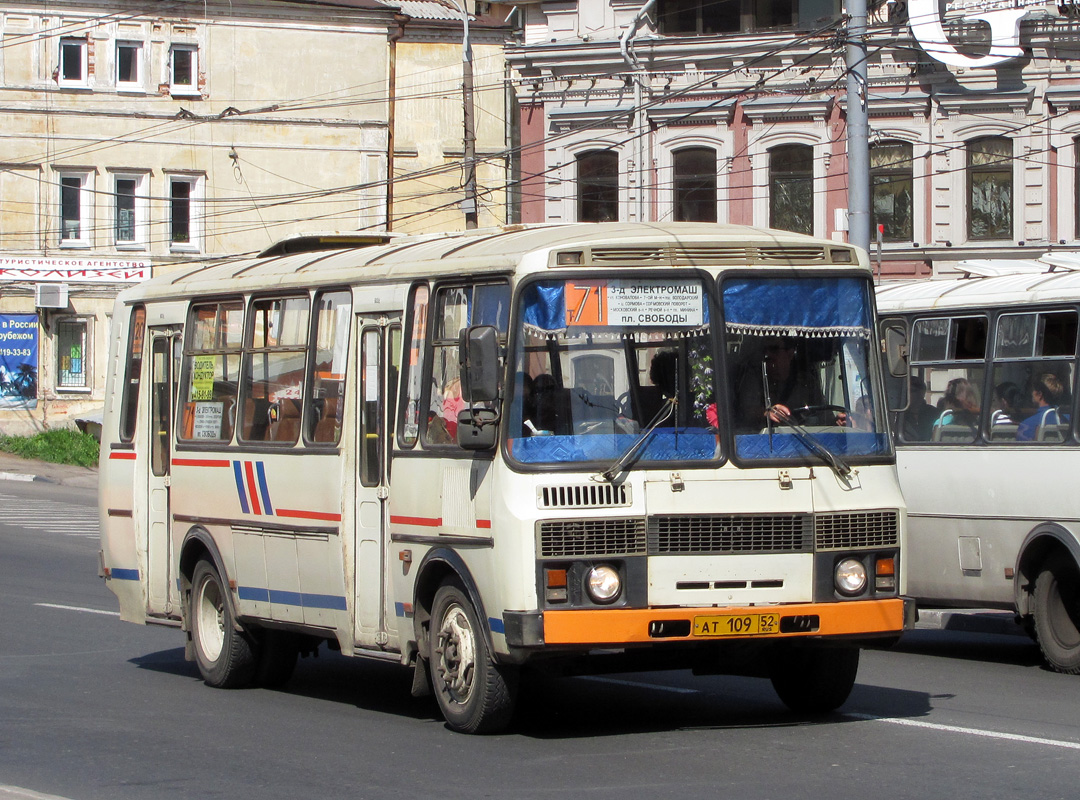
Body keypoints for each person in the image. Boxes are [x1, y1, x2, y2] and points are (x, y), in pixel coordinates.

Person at [1017, 373, 1064, 441]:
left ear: (1039, 394)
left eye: (1033, 390)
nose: (1031, 393)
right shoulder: (1069, 420)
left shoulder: (1027, 424)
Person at [902, 375, 937, 441]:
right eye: (906, 391)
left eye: (912, 391)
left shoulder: (934, 413)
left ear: (922, 392)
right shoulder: (901, 414)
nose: (908, 394)